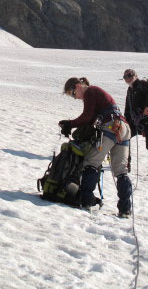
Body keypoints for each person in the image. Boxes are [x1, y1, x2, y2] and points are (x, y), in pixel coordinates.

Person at [58, 77, 133, 217]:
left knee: (91, 163)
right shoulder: (94, 93)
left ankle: (87, 200)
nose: (74, 97)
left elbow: (87, 116)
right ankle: (125, 209)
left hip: (111, 127)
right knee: (120, 170)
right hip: (123, 128)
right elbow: (90, 119)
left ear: (78, 86)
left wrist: (70, 124)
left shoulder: (90, 92)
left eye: (73, 93)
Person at [122, 69, 148, 179]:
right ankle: (126, 165)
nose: (127, 78)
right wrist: (125, 121)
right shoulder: (130, 89)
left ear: (135, 75)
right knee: (125, 137)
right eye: (125, 76)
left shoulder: (142, 84)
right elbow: (128, 107)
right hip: (137, 121)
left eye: (129, 75)